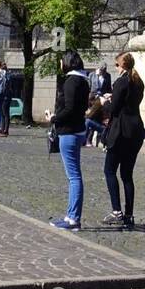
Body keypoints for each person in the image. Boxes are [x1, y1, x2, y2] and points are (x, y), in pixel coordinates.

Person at [47, 50, 90, 231]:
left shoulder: (71, 81)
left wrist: (54, 118)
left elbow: (70, 109)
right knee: (74, 176)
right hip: (78, 130)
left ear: (66, 62)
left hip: (69, 132)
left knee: (73, 177)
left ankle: (73, 219)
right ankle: (71, 215)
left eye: (60, 61)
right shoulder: (83, 80)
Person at [102, 51, 145, 229]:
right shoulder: (138, 82)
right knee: (127, 175)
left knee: (109, 171)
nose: (115, 68)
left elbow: (114, 109)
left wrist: (105, 101)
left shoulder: (122, 82)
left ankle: (116, 211)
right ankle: (129, 215)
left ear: (122, 66)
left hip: (121, 131)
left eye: (117, 65)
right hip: (136, 130)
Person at [0, 70, 13, 137]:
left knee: (5, 113)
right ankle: (3, 129)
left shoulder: (6, 76)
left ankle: (5, 130)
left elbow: (6, 86)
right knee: (3, 114)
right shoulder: (6, 75)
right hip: (5, 96)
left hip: (6, 96)